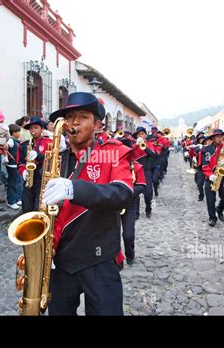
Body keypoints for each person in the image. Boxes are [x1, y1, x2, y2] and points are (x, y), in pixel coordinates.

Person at [41, 92, 133, 316]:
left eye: (83, 116)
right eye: (70, 116)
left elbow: (123, 193)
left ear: (98, 125)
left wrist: (75, 190)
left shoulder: (113, 153)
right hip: (60, 259)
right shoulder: (54, 156)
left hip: (98, 257)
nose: (74, 122)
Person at [18, 116, 52, 213]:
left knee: (38, 207)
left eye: (36, 127)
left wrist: (39, 155)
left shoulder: (49, 142)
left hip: (42, 179)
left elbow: (52, 160)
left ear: (42, 129)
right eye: (31, 128)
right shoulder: (23, 145)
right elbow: (20, 162)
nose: (33, 130)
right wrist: (23, 171)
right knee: (26, 207)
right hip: (28, 179)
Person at [202, 129, 224, 226]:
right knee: (210, 200)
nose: (220, 138)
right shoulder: (207, 150)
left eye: (221, 136)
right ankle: (212, 217)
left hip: (223, 177)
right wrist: (210, 175)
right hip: (211, 177)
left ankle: (219, 209)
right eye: (218, 136)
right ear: (213, 138)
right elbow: (205, 164)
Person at [131, 126, 158, 218]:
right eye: (139, 134)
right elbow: (128, 153)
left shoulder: (149, 144)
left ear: (145, 135)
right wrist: (135, 145)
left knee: (148, 193)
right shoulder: (133, 144)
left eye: (142, 134)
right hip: (135, 171)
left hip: (146, 170)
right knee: (135, 193)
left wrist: (144, 146)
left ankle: (148, 208)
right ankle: (136, 213)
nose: (140, 136)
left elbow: (153, 155)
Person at [6, 124, 23, 210]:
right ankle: (11, 201)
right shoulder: (11, 140)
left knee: (18, 182)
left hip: (17, 165)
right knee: (12, 183)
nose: (19, 133)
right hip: (12, 165)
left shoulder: (16, 140)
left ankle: (17, 199)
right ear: (14, 132)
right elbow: (5, 147)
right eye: (18, 132)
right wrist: (8, 156)